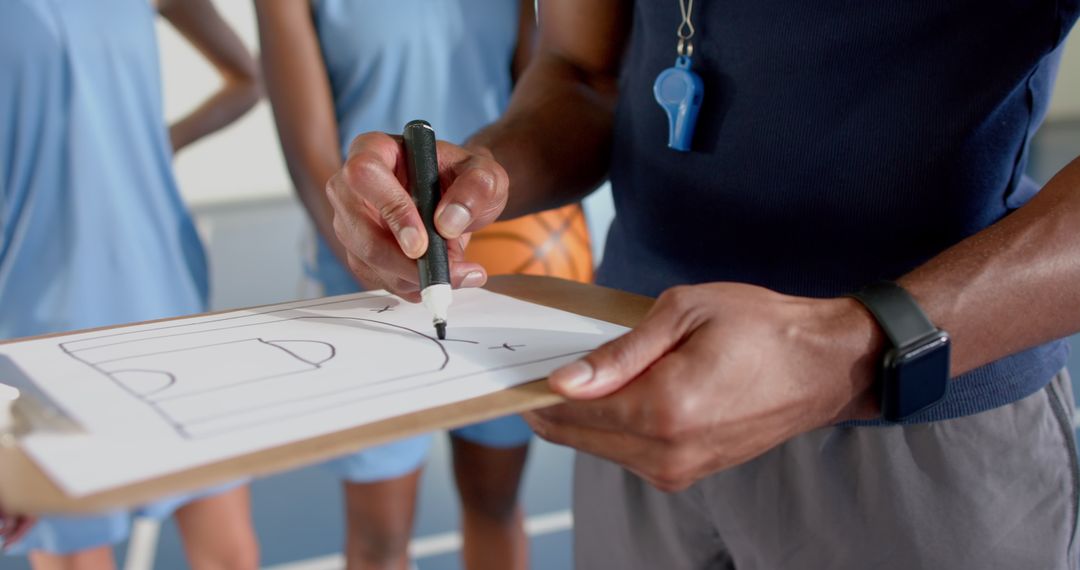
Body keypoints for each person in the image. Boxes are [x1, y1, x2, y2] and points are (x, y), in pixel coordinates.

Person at [326, 0, 1080, 568]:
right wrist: (480, 178)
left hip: (925, 422)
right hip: (634, 393)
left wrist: (846, 349)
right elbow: (583, 71)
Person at [255, 2, 581, 568]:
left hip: (492, 261)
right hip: (362, 273)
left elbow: (547, 99)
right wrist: (377, 262)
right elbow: (310, 157)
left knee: (496, 503)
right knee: (380, 535)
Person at [0, 0, 261, 567]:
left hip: (165, 289)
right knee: (79, 554)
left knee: (231, 555)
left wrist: (159, 142)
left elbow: (248, 79)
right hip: (33, 318)